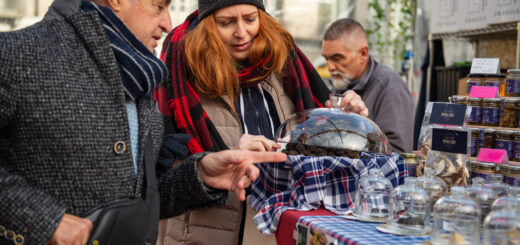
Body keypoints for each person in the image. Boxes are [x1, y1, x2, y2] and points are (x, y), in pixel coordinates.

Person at [0, 0, 288, 244]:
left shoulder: (140, 77)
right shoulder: (16, 54)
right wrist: (44, 221)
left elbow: (139, 198)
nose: (168, 23)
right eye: (159, 7)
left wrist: (201, 174)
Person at [155, 1, 369, 244]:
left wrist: (350, 122)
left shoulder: (285, 65)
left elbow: (322, 149)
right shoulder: (178, 74)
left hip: (271, 233)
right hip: (203, 235)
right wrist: (227, 159)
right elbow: (156, 179)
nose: (241, 32)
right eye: (226, 22)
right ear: (207, 25)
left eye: (250, 19)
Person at [321, 18, 414, 153]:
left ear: (363, 54)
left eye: (337, 58)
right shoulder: (342, 83)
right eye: (326, 58)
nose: (329, 66)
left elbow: (399, 153)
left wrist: (359, 126)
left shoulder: (391, 87)